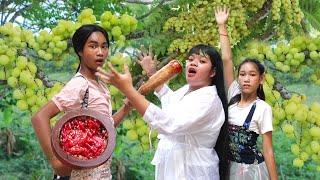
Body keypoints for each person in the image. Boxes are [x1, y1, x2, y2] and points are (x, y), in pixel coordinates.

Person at [96, 33, 229, 180]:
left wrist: (129, 90)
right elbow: (169, 101)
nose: (193, 63)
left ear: (213, 72)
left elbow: (171, 123)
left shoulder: (209, 101)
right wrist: (153, 74)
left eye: (202, 61)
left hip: (191, 171)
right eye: (190, 59)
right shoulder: (187, 90)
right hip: (172, 166)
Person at [31, 24, 132, 180]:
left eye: (104, 47)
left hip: (99, 172)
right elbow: (39, 117)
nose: (100, 52)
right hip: (79, 174)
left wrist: (126, 108)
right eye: (93, 46)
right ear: (80, 51)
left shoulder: (101, 86)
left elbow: (105, 128)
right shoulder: (81, 84)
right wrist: (55, 162)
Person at [216, 6, 278, 180]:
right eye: (242, 74)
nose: (246, 79)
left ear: (261, 79)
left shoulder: (262, 108)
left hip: (250, 172)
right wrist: (222, 26)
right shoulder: (233, 94)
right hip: (227, 167)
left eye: (252, 75)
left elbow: (268, 150)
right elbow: (227, 60)